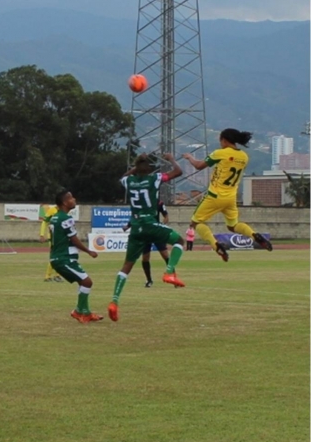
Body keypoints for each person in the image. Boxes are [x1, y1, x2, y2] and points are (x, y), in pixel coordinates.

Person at [108, 153, 186, 322]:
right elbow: (178, 171)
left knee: (126, 267)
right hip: (150, 224)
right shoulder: (154, 179)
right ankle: (169, 272)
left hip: (135, 229)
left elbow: (123, 176)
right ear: (149, 169)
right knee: (179, 241)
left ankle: (114, 301)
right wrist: (172, 159)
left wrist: (137, 165)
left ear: (136, 168)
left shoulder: (128, 181)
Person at [183, 128, 273, 262]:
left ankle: (216, 246)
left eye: (220, 141)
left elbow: (199, 166)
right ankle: (254, 235)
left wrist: (190, 157)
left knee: (195, 223)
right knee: (232, 226)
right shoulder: (244, 156)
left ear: (224, 140)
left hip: (214, 195)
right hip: (231, 197)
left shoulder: (220, 153)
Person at [49, 189, 102, 324]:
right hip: (64, 258)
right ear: (64, 202)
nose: (74, 200)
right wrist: (89, 251)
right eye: (71, 198)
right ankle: (78, 311)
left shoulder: (55, 218)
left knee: (83, 282)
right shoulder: (66, 219)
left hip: (59, 257)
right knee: (87, 282)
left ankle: (86, 312)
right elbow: (73, 239)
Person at [123, 200, 170, 287]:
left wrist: (162, 225)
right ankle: (149, 280)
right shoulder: (142, 204)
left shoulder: (159, 203)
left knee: (165, 255)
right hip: (145, 232)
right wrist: (128, 226)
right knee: (145, 258)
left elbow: (166, 216)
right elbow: (136, 217)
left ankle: (173, 277)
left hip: (156, 231)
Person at [39, 205, 62, 282]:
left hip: (62, 238)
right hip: (53, 238)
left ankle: (57, 275)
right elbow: (44, 222)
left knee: (61, 257)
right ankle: (47, 276)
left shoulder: (65, 211)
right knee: (54, 256)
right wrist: (42, 234)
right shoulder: (52, 210)